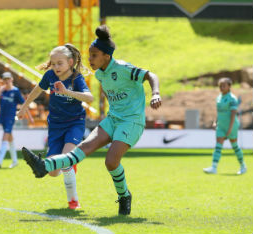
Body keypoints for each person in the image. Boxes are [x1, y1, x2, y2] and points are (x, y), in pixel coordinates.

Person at [21, 25, 161, 215]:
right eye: (89, 55)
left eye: (94, 55)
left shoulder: (122, 67)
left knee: (111, 162)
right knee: (83, 149)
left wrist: (156, 93)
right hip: (113, 119)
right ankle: (43, 166)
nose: (90, 59)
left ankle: (124, 195)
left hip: (131, 121)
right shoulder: (101, 74)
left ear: (106, 56)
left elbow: (150, 75)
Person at [17, 43, 94, 209]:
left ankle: (73, 201)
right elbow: (37, 91)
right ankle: (70, 164)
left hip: (74, 123)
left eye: (60, 63)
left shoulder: (76, 78)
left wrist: (67, 92)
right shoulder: (50, 76)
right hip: (55, 125)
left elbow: (90, 98)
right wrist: (24, 107)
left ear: (70, 62)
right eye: (53, 63)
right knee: (53, 172)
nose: (56, 67)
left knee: (65, 160)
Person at [203, 77, 247, 175]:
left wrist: (230, 128)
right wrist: (215, 122)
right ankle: (214, 167)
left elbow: (233, 114)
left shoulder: (232, 98)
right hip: (221, 126)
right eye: (220, 85)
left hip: (231, 126)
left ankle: (243, 165)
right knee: (218, 145)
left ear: (229, 86)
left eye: (224, 85)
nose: (221, 87)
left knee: (235, 146)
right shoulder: (219, 97)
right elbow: (219, 113)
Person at [0, 72, 32, 169]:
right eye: (4, 79)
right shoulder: (2, 91)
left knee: (5, 136)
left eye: (8, 79)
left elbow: (24, 104)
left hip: (10, 117)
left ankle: (0, 160)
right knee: (10, 138)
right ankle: (15, 161)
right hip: (2, 117)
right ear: (2, 81)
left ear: (11, 79)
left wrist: (30, 117)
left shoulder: (15, 91)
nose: (6, 81)